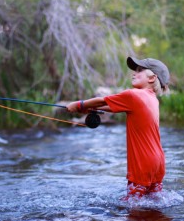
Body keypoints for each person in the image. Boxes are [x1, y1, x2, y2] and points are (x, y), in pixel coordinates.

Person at [66, 57, 170, 199]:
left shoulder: (134, 94)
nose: (134, 73)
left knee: (134, 209)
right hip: (158, 163)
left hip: (142, 164)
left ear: (152, 78)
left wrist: (79, 104)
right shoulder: (152, 99)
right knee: (153, 205)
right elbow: (114, 107)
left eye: (140, 70)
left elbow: (103, 100)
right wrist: (89, 108)